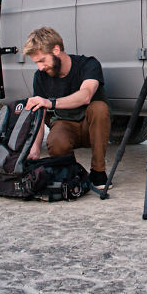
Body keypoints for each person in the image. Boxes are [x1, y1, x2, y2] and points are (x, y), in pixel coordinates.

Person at [23, 26, 111, 189]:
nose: (40, 67)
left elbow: (85, 95)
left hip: (90, 124)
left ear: (56, 50)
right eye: (36, 63)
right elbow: (39, 119)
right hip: (64, 123)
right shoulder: (40, 77)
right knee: (56, 142)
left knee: (99, 108)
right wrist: (34, 150)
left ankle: (98, 171)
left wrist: (51, 102)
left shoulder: (88, 64)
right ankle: (72, 174)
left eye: (42, 60)